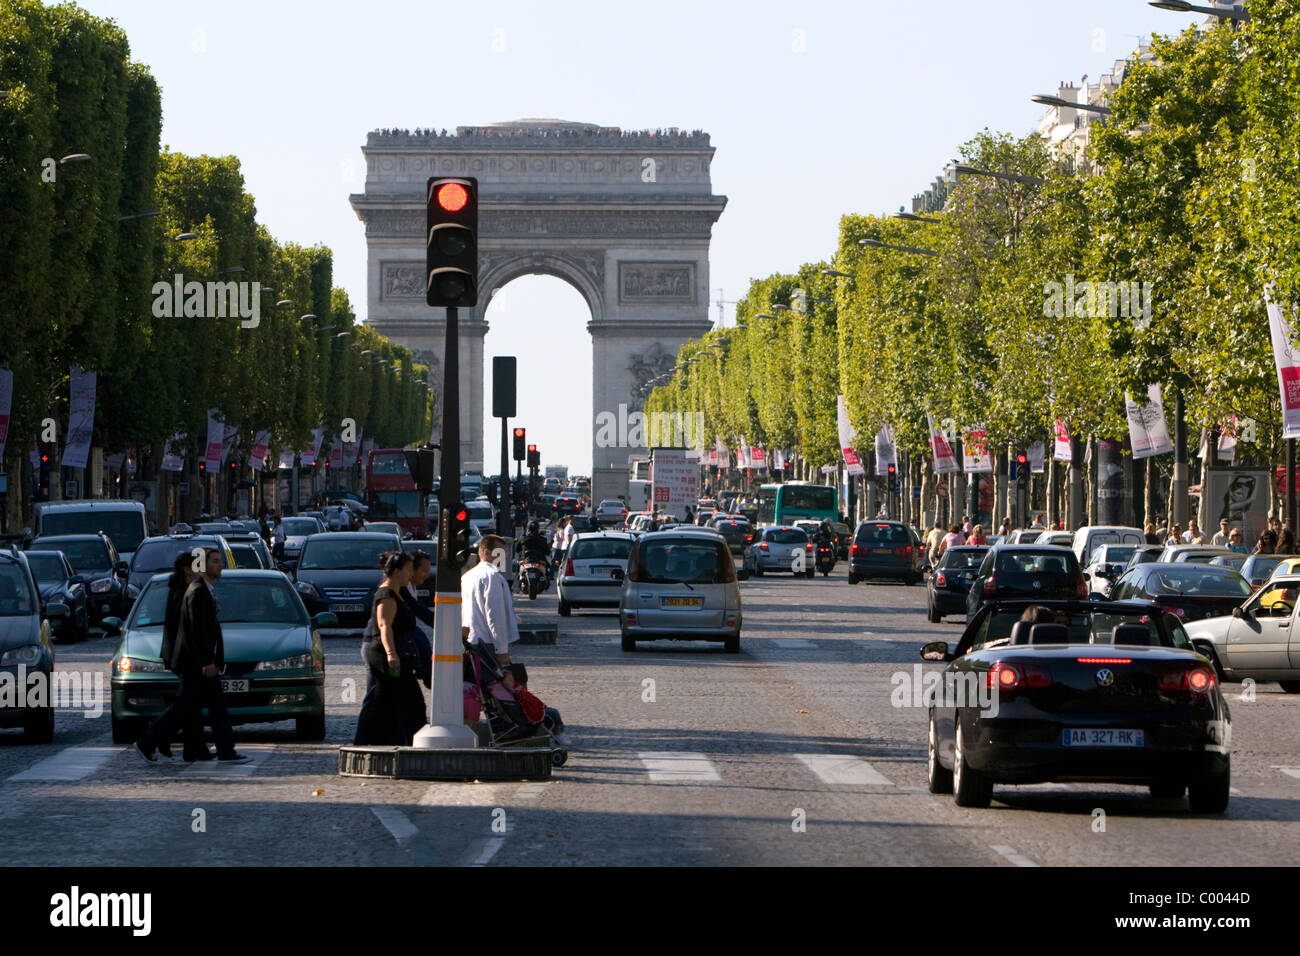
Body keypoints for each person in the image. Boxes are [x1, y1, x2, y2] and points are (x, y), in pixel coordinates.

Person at [168, 548, 249, 761]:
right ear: (201, 566)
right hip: (197, 662)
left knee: (205, 706)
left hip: (202, 661)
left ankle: (216, 750)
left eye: (220, 561)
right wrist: (206, 660)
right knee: (187, 706)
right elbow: (196, 630)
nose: (220, 565)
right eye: (215, 561)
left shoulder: (203, 589)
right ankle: (149, 740)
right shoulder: (196, 591)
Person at [134, 552, 200, 761]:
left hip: (182, 654)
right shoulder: (183, 591)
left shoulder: (180, 588)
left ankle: (190, 748)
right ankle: (150, 740)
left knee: (191, 705)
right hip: (186, 655)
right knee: (184, 704)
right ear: (187, 569)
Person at [355, 551, 426, 744]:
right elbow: (384, 625)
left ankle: (403, 742)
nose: (411, 574)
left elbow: (421, 612)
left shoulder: (399, 592)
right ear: (396, 572)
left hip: (397, 653)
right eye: (408, 570)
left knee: (404, 701)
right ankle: (362, 744)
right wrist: (391, 654)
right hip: (382, 653)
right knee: (378, 699)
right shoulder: (386, 594)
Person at [462, 535, 521, 667]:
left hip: (472, 639)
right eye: (499, 553)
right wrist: (501, 649)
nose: (503, 558)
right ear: (486, 552)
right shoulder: (492, 576)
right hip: (488, 642)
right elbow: (494, 614)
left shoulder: (467, 576)